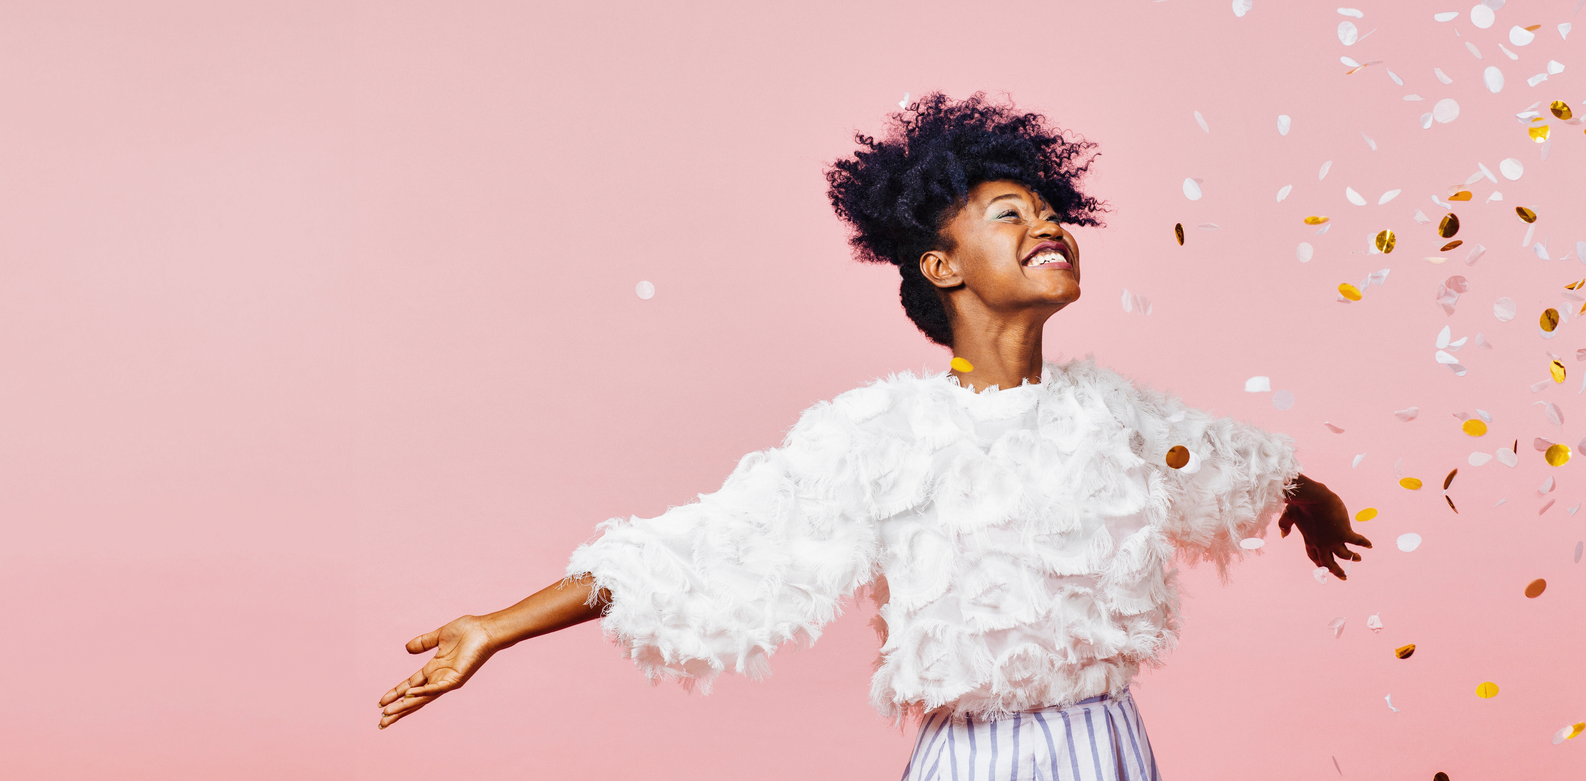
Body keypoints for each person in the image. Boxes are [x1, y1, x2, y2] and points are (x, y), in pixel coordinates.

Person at [376, 92, 1370, 780]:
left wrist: (1308, 497)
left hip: (1108, 744)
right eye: (1008, 212)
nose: (1049, 225)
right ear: (941, 267)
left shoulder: (1113, 413)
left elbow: (1228, 466)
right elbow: (707, 544)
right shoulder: (878, 435)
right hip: (971, 758)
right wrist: (495, 628)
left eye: (1052, 211)